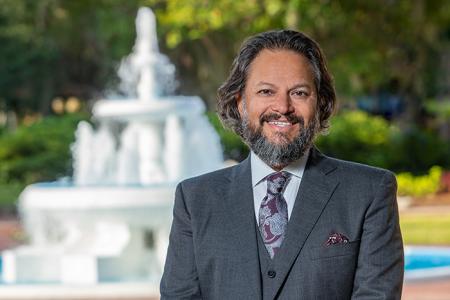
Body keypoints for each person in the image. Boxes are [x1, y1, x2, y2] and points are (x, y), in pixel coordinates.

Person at [160, 29, 404, 299]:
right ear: (241, 103)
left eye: (299, 93)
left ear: (320, 103)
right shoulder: (195, 199)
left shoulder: (369, 191)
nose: (282, 107)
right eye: (266, 91)